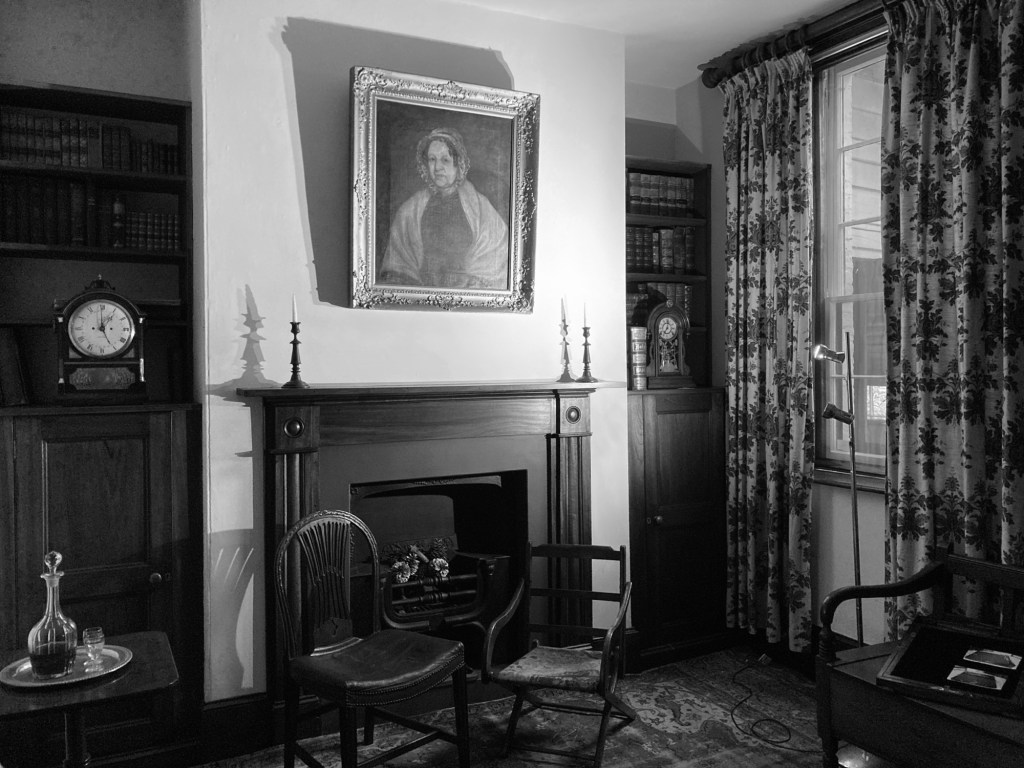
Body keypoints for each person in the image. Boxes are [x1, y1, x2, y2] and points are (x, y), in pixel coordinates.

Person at [380, 127, 509, 289]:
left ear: (458, 164)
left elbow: (497, 263)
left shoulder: (482, 210)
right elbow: (397, 265)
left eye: (445, 160)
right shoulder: (410, 211)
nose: (437, 167)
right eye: (432, 159)